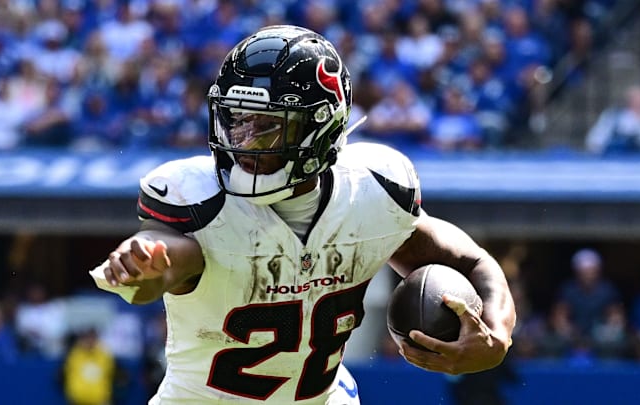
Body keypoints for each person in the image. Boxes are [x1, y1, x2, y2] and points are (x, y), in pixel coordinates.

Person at [90, 25, 516, 404]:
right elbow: (173, 259)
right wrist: (143, 262)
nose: (245, 141)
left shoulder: (372, 194)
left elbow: (471, 261)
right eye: (238, 121)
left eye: (268, 125)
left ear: (321, 128)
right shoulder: (202, 201)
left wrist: (496, 335)